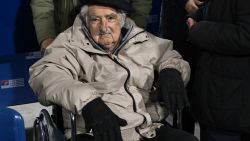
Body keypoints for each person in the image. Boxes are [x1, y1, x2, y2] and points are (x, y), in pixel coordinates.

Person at [29, 0, 199, 141]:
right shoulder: (69, 43)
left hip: (146, 128)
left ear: (122, 19)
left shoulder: (139, 38)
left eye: (110, 18)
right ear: (86, 20)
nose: (104, 27)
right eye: (96, 19)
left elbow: (170, 56)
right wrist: (88, 102)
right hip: (95, 132)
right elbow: (45, 73)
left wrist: (172, 71)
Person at [186, 0, 250, 141]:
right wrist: (197, 15)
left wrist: (198, 29)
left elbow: (246, 35)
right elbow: (220, 13)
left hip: (231, 101)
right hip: (222, 96)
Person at [30, 0, 152, 52]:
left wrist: (133, 34)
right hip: (69, 31)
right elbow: (42, 4)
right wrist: (47, 36)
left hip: (117, 31)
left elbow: (163, 54)